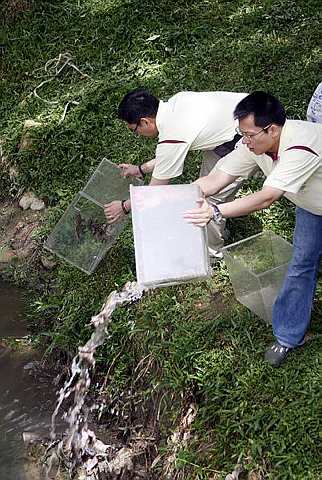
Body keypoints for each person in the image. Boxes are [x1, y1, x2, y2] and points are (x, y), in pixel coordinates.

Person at [184, 91, 322, 367]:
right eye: (241, 133)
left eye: (248, 135)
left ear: (271, 129)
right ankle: (288, 337)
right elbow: (217, 179)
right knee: (301, 264)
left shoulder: (302, 145)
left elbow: (267, 197)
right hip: (313, 207)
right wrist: (168, 198)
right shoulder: (256, 145)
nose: (244, 141)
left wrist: (215, 210)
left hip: (312, 201)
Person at [104, 88, 258, 254]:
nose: (137, 134)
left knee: (205, 201)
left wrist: (124, 206)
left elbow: (154, 191)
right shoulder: (178, 101)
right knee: (208, 185)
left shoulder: (172, 137)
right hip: (244, 118)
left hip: (251, 137)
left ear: (145, 122)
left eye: (134, 130)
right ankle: (220, 222)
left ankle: (211, 253)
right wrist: (141, 169)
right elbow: (173, 152)